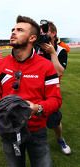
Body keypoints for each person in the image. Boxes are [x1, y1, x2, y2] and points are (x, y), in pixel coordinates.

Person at [0, 15, 62, 167]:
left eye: (20, 30)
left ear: (32, 38)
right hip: (9, 129)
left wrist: (37, 108)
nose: (13, 32)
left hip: (37, 130)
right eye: (13, 29)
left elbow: (55, 99)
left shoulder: (47, 66)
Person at [36, 20, 71, 155]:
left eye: (46, 31)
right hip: (34, 88)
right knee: (31, 118)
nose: (42, 34)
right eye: (41, 31)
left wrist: (52, 53)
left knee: (54, 121)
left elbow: (59, 72)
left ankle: (60, 139)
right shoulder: (36, 47)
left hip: (51, 91)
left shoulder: (60, 50)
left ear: (54, 33)